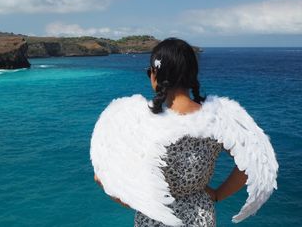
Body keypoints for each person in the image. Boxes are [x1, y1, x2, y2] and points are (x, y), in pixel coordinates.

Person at [91, 38, 278, 227]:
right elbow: (252, 162)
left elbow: (106, 180)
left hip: (155, 219)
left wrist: (130, 196)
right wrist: (218, 194)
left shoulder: (140, 122)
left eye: (150, 72)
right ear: (192, 75)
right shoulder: (217, 119)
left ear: (156, 75)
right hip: (201, 216)